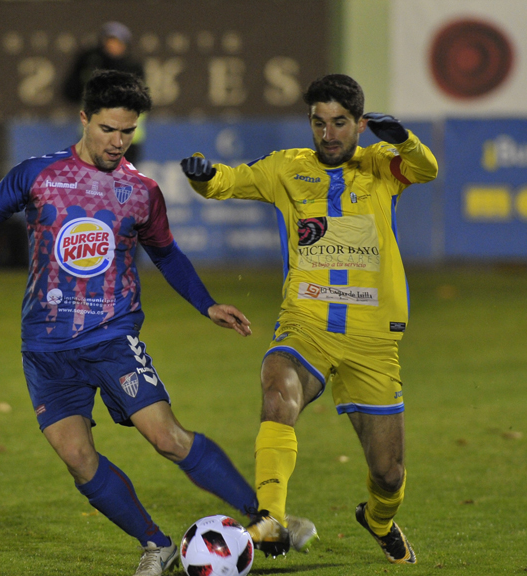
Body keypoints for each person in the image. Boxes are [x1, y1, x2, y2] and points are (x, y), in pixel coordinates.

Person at [0, 70, 259, 576]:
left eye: (128, 131)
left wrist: (206, 304)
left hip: (111, 336)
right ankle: (155, 544)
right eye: (108, 129)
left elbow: (166, 254)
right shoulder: (39, 175)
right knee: (78, 458)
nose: (118, 141)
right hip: (45, 345)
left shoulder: (141, 190)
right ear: (84, 119)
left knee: (167, 437)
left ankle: (262, 518)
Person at [179, 74, 438, 564]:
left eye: (339, 122)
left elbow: (426, 169)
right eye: (319, 122)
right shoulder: (287, 168)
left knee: (389, 474)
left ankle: (379, 520)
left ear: (360, 124)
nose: (328, 133)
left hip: (371, 340)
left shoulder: (381, 166)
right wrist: (203, 175)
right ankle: (271, 517)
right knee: (277, 382)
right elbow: (227, 182)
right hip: (307, 323)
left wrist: (403, 138)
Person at [63, 21, 146, 163]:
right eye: (109, 41)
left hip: (126, 138)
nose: (112, 46)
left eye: (118, 42)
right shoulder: (90, 66)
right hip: (93, 136)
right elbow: (70, 93)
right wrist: (80, 66)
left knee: (120, 176)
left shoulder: (133, 69)